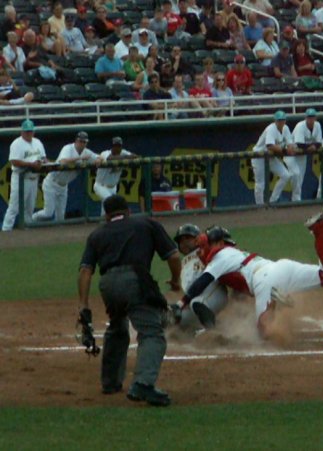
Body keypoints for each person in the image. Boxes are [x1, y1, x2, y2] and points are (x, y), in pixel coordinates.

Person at [172, 208, 323, 338]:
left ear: (218, 242)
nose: (201, 251)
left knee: (265, 332)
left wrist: (181, 303)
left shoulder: (220, 256)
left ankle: (273, 298)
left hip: (265, 279)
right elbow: (239, 294)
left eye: (204, 246)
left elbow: (203, 281)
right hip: (279, 269)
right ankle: (321, 230)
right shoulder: (234, 256)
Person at [78, 194, 181, 406]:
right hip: (135, 280)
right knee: (152, 333)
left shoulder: (97, 234)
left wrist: (84, 305)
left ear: (107, 216)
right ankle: (143, 383)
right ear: (128, 211)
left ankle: (110, 382)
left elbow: (86, 271)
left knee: (117, 326)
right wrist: (176, 280)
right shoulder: (147, 223)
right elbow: (173, 256)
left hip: (108, 284)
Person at [33, 131, 102, 223]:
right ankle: (31, 219)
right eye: (80, 141)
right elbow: (63, 162)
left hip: (63, 186)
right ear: (76, 141)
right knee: (48, 213)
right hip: (52, 183)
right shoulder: (68, 148)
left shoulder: (86, 152)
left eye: (84, 142)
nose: (82, 144)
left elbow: (100, 156)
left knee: (60, 218)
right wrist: (79, 159)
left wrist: (98, 159)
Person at [171, 224, 229, 333]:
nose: (184, 242)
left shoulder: (204, 252)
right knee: (170, 316)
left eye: (188, 238)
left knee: (197, 303)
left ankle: (213, 334)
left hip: (214, 293)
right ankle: (198, 331)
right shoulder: (185, 262)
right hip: (194, 300)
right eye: (181, 240)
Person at [2, 120, 48, 232]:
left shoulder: (38, 142)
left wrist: (43, 163)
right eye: (26, 131)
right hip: (20, 178)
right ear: (22, 132)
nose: (28, 133)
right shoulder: (17, 143)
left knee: (30, 207)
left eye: (30, 131)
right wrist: (31, 164)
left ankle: (27, 230)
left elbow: (43, 158)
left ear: (33, 132)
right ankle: (6, 230)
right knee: (14, 207)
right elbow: (14, 161)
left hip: (34, 178)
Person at [251, 110, 295, 205]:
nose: (281, 122)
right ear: (275, 121)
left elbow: (290, 143)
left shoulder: (285, 128)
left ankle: (273, 201)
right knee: (260, 183)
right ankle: (260, 206)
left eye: (283, 120)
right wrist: (285, 150)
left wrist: (290, 148)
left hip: (270, 157)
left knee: (286, 175)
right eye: (279, 120)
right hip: (259, 156)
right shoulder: (271, 128)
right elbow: (270, 146)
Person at [93, 137, 138, 215]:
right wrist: (125, 158)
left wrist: (124, 157)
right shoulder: (105, 153)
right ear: (112, 146)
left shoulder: (123, 152)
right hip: (101, 186)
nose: (117, 148)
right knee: (110, 202)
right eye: (115, 146)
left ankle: (103, 223)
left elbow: (135, 156)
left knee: (105, 208)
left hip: (113, 187)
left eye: (119, 146)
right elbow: (110, 159)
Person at [287, 108, 322, 201]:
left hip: (302, 155)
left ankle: (296, 199)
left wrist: (314, 146)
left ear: (315, 118)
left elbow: (319, 142)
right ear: (305, 118)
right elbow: (299, 144)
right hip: (291, 154)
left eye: (312, 117)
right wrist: (312, 146)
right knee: (295, 174)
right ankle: (293, 199)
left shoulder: (317, 125)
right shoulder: (300, 126)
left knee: (300, 177)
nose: (310, 119)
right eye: (309, 117)